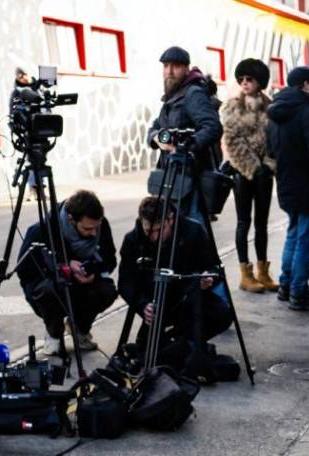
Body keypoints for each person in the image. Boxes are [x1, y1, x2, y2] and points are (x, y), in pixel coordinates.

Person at [118, 196, 232, 383]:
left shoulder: (193, 230)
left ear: (170, 219)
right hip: (157, 303)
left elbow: (214, 266)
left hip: (189, 298)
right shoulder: (133, 239)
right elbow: (125, 282)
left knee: (222, 313)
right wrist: (142, 305)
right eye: (149, 230)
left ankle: (183, 343)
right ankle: (178, 346)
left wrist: (206, 277)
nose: (154, 236)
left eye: (159, 229)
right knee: (151, 356)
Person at [18, 189, 118, 355]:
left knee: (107, 291)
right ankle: (53, 333)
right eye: (87, 229)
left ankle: (80, 328)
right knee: (49, 290)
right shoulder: (43, 229)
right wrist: (62, 266)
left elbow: (110, 259)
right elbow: (26, 271)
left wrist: (93, 269)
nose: (93, 233)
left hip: (85, 284)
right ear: (71, 219)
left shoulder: (100, 224)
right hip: (53, 286)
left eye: (96, 227)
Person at [266, 66, 309, 312]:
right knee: (306, 241)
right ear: (304, 85)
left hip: (286, 185)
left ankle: (286, 285)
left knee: (293, 235)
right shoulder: (307, 111)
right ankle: (298, 292)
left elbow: (271, 150)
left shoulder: (276, 111)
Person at [221, 58, 279, 294]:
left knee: (262, 223)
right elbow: (232, 141)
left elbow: (275, 139)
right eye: (241, 79)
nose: (245, 83)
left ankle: (263, 272)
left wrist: (268, 165)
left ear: (259, 81)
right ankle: (246, 274)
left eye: (250, 79)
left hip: (265, 175)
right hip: (242, 173)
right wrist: (253, 168)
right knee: (244, 222)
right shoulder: (232, 106)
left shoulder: (271, 107)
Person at [149, 47, 224, 223]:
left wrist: (186, 146)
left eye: (175, 66)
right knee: (174, 228)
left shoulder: (193, 93)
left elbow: (213, 127)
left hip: (192, 175)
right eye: (166, 66)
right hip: (172, 174)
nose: (169, 71)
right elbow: (156, 127)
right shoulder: (172, 95)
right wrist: (158, 139)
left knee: (193, 230)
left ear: (186, 69)